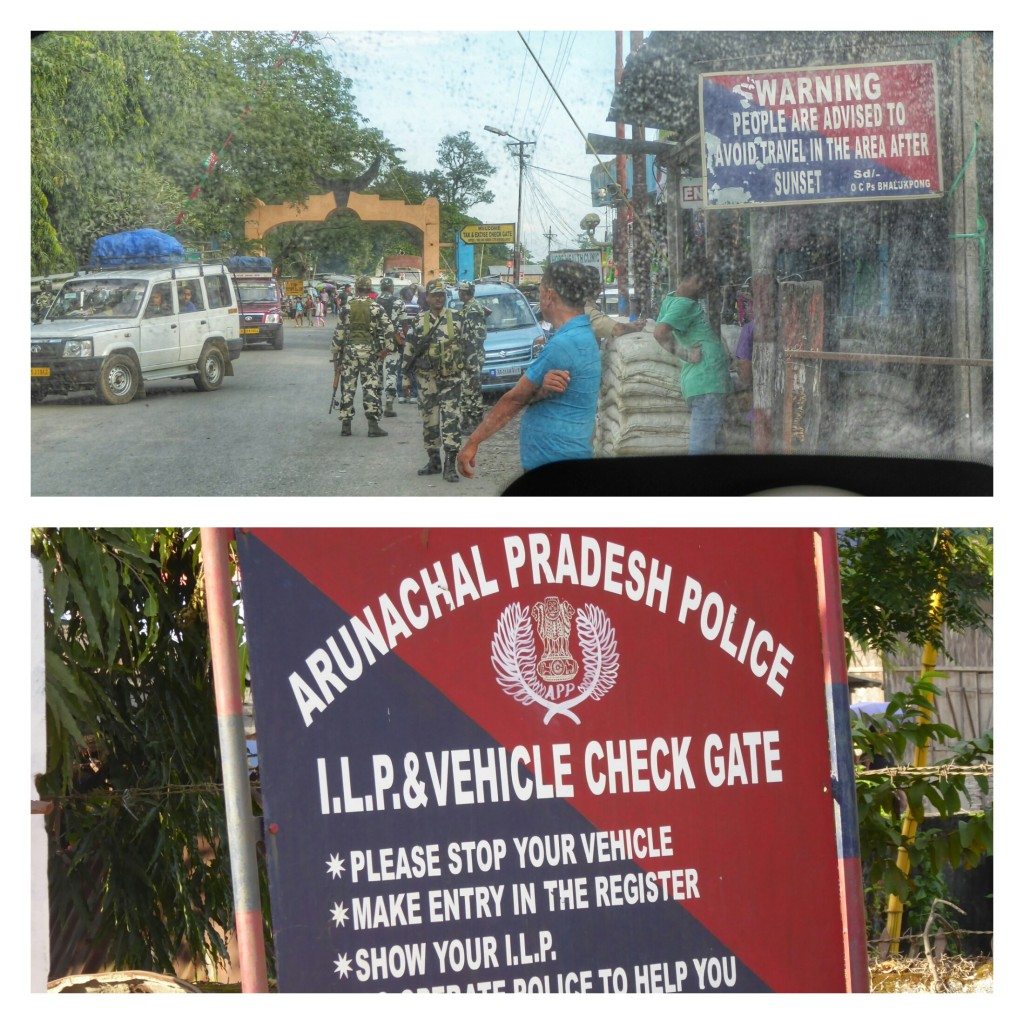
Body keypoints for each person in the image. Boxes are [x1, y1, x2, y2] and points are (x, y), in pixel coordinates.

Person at [458, 261, 600, 479]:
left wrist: (472, 442)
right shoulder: (581, 333)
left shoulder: (563, 344)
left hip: (554, 459)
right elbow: (553, 393)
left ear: (549, 296)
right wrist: (542, 389)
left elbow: (514, 400)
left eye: (541, 289)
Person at [653, 264, 732, 455]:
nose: (700, 287)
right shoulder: (684, 304)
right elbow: (659, 333)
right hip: (707, 382)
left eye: (704, 284)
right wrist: (687, 355)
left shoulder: (671, 300)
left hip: (705, 383)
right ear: (684, 278)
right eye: (697, 281)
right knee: (702, 449)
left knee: (712, 446)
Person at [403, 278, 469, 482]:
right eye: (434, 295)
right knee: (429, 422)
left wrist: (468, 376)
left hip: (451, 380)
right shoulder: (419, 321)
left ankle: (450, 464)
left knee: (451, 421)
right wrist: (405, 378)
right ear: (428, 298)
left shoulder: (457, 318)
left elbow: (468, 349)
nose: (439, 298)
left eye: (442, 295)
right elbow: (410, 350)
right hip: (427, 380)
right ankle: (434, 461)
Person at [332, 275, 396, 438]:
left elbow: (339, 333)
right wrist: (387, 349)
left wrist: (336, 354)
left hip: (349, 352)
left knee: (348, 387)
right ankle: (373, 426)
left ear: (356, 289)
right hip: (369, 352)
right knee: (371, 387)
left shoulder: (346, 307)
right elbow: (389, 329)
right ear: (369, 290)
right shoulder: (376, 307)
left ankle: (346, 426)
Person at [456, 281, 490, 437]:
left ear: (464, 293)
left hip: (472, 357)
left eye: (460, 292)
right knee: (468, 389)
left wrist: (470, 360)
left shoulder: (472, 309)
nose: (459, 294)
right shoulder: (472, 306)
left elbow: (474, 337)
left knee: (472, 390)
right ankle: (467, 421)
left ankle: (474, 423)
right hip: (470, 356)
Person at [583, 266, 646, 344]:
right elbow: (618, 329)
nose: (600, 287)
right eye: (597, 284)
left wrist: (630, 325)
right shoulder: (586, 310)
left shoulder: (586, 306)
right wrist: (635, 327)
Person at [375, 277, 405, 418]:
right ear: (392, 288)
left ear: (381, 288)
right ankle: (389, 404)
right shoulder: (398, 302)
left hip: (376, 343)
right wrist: (403, 340)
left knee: (377, 372)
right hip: (392, 341)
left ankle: (375, 404)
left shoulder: (374, 302)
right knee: (391, 372)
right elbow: (404, 323)